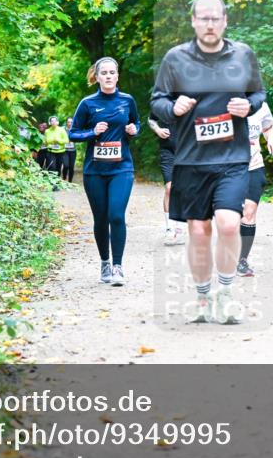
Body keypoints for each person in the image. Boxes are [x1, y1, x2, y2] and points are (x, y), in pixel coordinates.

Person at [150, 0, 266, 324]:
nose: (210, 24)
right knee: (199, 231)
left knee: (229, 224)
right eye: (203, 19)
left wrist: (250, 106)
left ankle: (225, 295)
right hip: (190, 160)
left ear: (225, 21)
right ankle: (203, 298)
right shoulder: (175, 59)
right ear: (193, 22)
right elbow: (156, 101)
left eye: (215, 18)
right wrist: (172, 108)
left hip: (232, 159)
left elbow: (258, 93)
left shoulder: (243, 54)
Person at [69, 57, 140, 286]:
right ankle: (104, 263)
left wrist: (133, 129)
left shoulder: (127, 101)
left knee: (116, 215)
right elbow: (73, 134)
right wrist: (92, 132)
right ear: (97, 77)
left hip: (122, 167)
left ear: (117, 76)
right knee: (100, 219)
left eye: (112, 72)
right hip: (95, 171)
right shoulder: (88, 104)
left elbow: (136, 123)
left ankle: (118, 267)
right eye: (104, 73)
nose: (109, 76)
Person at [237, 101, 273, 277]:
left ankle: (242, 260)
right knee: (230, 215)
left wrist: (271, 140)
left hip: (254, 164)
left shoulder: (260, 105)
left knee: (249, 212)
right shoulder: (222, 101)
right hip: (228, 166)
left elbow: (268, 126)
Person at [147, 111, 185, 246]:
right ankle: (169, 229)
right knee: (170, 188)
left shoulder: (191, 97)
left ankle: (180, 229)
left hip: (188, 151)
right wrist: (157, 129)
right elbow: (151, 119)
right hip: (167, 151)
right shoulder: (163, 100)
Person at [62, 118, 77, 183]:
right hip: (64, 150)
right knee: (66, 165)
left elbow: (78, 138)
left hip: (73, 151)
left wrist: (74, 140)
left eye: (71, 122)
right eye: (68, 122)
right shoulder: (62, 129)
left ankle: (70, 181)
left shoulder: (74, 130)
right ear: (66, 123)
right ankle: (64, 177)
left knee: (71, 167)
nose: (70, 123)